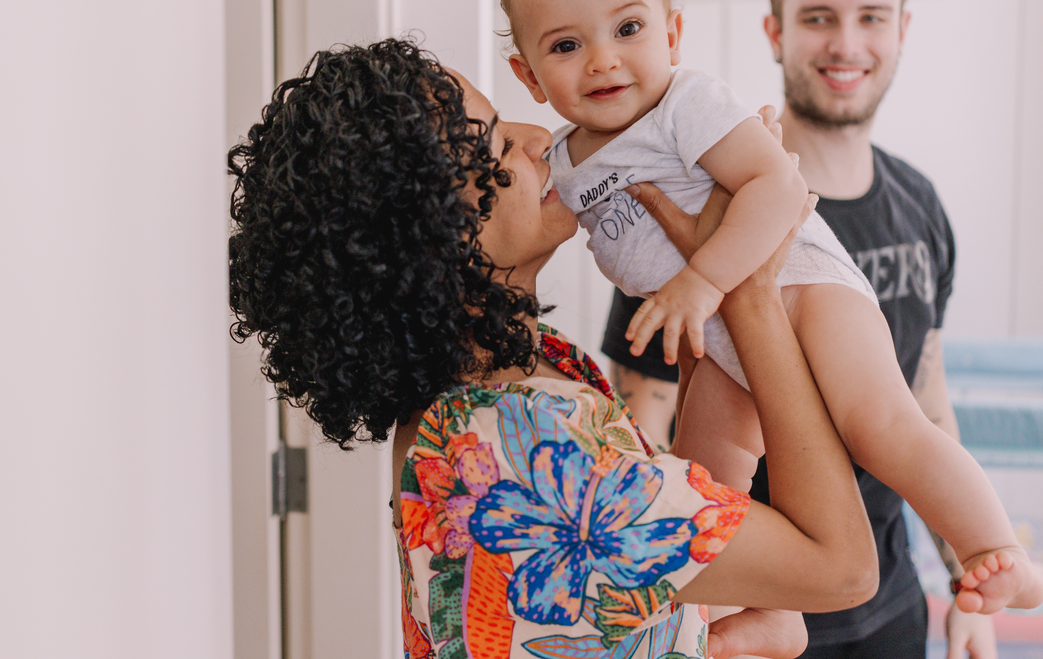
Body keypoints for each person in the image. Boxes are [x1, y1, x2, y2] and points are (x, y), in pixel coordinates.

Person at [226, 39, 879, 659]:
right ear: (431, 238)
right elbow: (842, 568)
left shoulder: (521, 379)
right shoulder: (526, 441)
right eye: (500, 144)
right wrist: (750, 292)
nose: (542, 140)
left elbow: (655, 539)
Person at [501, 0, 1043, 628]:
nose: (602, 58)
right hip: (725, 347)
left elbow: (778, 186)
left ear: (672, 33)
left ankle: (993, 549)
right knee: (701, 481)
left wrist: (702, 280)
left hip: (807, 289)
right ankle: (740, 621)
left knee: (880, 422)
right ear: (529, 74)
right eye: (565, 46)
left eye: (628, 29)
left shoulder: (683, 104)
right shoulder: (563, 164)